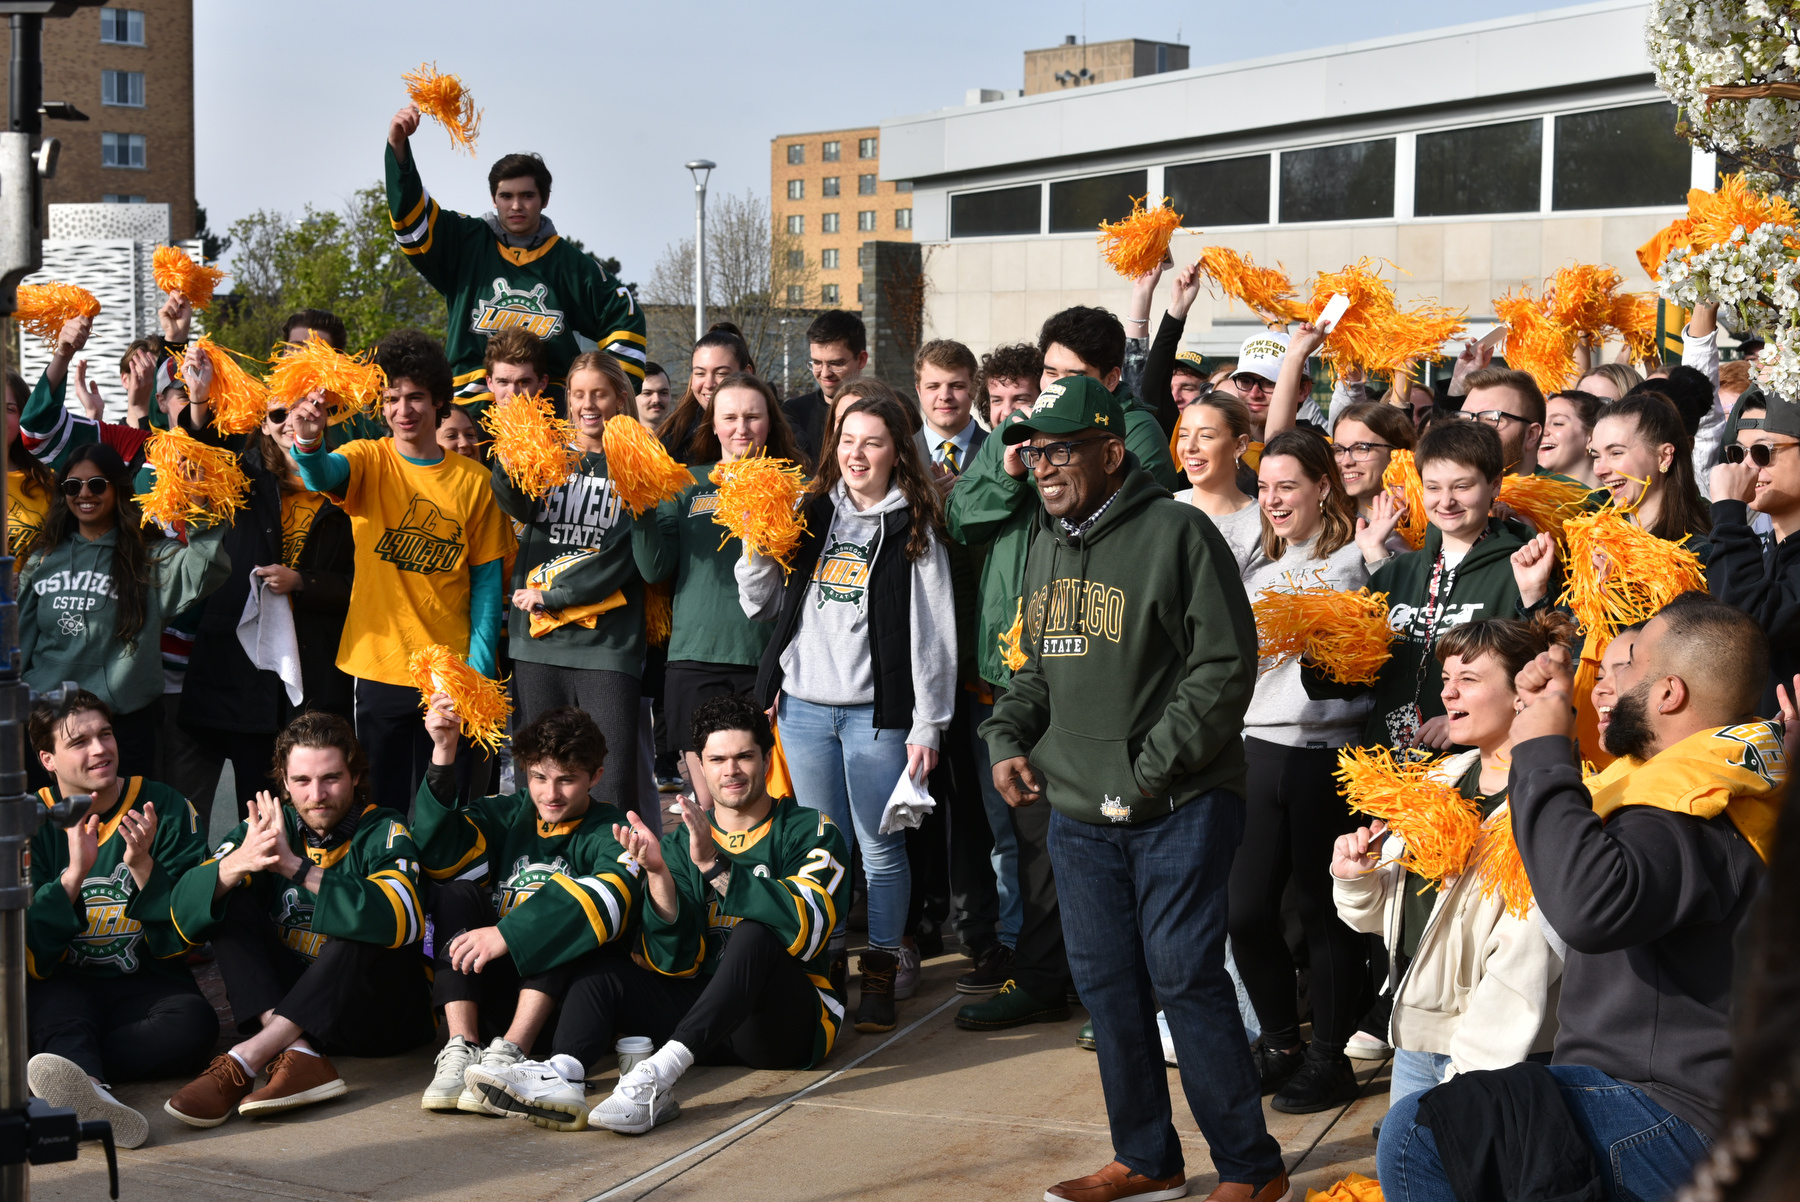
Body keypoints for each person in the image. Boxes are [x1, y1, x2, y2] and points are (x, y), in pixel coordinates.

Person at [980, 374, 1288, 1202]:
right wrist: (1007, 736)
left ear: (1111, 453)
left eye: (1061, 450)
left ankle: (1251, 1171)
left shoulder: (1178, 533)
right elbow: (1036, 671)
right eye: (1035, 451)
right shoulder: (1046, 544)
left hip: (1181, 804)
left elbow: (1225, 668)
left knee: (1185, 976)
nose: (1043, 466)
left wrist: (1151, 769)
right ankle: (1147, 1159)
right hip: (1080, 811)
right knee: (1109, 985)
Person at [1379, 598, 1781, 1201]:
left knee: (1427, 1131)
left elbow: (1587, 905)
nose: (1605, 682)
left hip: (1670, 1110)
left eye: (1629, 666)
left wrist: (1539, 749)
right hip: (1695, 1105)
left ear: (1668, 693)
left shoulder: (1688, 811)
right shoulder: (1735, 786)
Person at [738, 387, 957, 1033]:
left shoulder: (913, 523)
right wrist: (754, 545)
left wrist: (929, 724)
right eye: (849, 440)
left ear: (898, 453)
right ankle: (828, 964)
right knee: (824, 850)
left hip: (877, 715)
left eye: (875, 442)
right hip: (803, 708)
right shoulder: (808, 511)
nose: (858, 453)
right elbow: (764, 603)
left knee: (881, 850)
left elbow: (935, 633)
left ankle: (882, 972)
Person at [1332, 615, 1571, 1177]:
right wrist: (1356, 877)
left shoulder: (1550, 804)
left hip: (1499, 1056)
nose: (1447, 691)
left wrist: (1465, 1077)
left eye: (1468, 678)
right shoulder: (1437, 786)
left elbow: (1529, 959)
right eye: (1445, 677)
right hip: (1417, 1034)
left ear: (1522, 693)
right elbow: (1384, 922)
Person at [557, 694, 852, 1134]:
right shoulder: (678, 843)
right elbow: (673, 963)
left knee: (756, 932)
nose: (730, 770)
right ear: (701, 766)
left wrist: (715, 868)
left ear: (767, 759)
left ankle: (657, 1077)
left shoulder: (812, 829)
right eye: (717, 759)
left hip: (775, 1028)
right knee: (601, 974)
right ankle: (560, 1076)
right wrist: (657, 874)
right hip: (703, 1018)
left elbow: (805, 928)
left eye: (743, 756)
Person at [164, 713, 432, 1128]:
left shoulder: (383, 827)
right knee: (228, 898)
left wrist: (295, 867)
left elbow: (402, 918)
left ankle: (248, 1057)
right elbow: (180, 912)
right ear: (285, 784)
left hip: (376, 1019)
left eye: (331, 778)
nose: (317, 794)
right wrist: (238, 863)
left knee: (365, 917)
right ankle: (299, 1053)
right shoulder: (269, 825)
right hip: (300, 1008)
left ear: (355, 776)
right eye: (302, 781)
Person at [290, 329, 515, 811]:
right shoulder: (368, 458)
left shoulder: (475, 482)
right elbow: (323, 474)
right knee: (381, 803)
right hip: (379, 666)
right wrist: (308, 440)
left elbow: (487, 587)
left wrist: (474, 674)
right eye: (392, 398)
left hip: (451, 675)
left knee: (448, 803)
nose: (403, 410)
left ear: (439, 402)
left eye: (415, 397)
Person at [1228, 430, 1373, 1113]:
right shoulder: (1255, 569)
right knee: (1245, 909)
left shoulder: (1357, 562)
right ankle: (1282, 1041)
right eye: (1265, 487)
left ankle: (1330, 1057)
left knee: (1323, 913)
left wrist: (1363, 563)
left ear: (1323, 486)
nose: (1274, 498)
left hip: (1327, 757)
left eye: (1288, 485)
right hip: (1258, 748)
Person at [413, 702, 640, 1123]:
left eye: (566, 780)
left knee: (571, 912)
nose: (550, 794)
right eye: (539, 777)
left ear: (596, 777)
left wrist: (507, 933)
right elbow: (438, 853)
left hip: (556, 1014)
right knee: (455, 893)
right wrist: (443, 753)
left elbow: (613, 896)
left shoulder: (612, 829)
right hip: (491, 995)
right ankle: (462, 1047)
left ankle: (511, 1055)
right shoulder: (509, 811)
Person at [24, 690, 214, 1151]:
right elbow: (27, 950)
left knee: (195, 1026)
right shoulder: (30, 818)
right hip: (65, 982)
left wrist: (144, 866)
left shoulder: (164, 806)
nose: (100, 749)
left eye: (105, 733)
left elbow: (185, 937)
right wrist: (73, 876)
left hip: (146, 982)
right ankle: (83, 1080)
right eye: (80, 742)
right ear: (47, 758)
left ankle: (73, 1072)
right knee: (53, 1011)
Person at [177, 384, 357, 832]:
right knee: (254, 810)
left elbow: (362, 584)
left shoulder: (347, 483)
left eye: (298, 415)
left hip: (316, 670)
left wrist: (304, 583)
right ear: (262, 423)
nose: (288, 424)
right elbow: (199, 450)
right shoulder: (241, 476)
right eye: (277, 414)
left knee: (315, 806)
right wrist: (198, 401)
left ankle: (309, 891)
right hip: (242, 677)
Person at [385, 103, 646, 406]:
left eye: (527, 196)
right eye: (506, 196)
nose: (516, 206)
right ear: (493, 199)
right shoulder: (465, 242)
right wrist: (398, 148)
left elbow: (625, 317)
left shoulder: (572, 266)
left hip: (550, 418)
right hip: (472, 416)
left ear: (544, 200)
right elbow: (411, 222)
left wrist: (610, 394)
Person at [493, 350, 658, 818]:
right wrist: (510, 459)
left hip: (606, 645)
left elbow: (623, 559)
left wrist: (558, 596)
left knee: (611, 778)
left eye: (599, 394)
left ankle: (616, 878)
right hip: (538, 644)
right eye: (578, 393)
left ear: (621, 397)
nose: (588, 404)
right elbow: (517, 505)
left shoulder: (638, 459)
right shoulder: (550, 454)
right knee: (541, 776)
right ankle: (537, 878)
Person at [18, 444, 230, 781]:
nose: (84, 493)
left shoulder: (149, 559)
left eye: (97, 484)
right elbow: (20, 642)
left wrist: (200, 507)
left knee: (120, 830)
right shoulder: (43, 558)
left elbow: (205, 569)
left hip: (120, 727)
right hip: (48, 722)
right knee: (48, 830)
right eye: (73, 486)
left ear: (118, 488)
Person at [641, 374, 803, 807]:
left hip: (767, 661)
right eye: (729, 417)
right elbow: (656, 567)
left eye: (753, 416)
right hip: (694, 657)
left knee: (768, 799)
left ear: (771, 422)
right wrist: (638, 505)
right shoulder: (683, 483)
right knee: (711, 802)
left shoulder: (795, 487)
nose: (741, 427)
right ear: (712, 424)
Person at [1325, 421, 1530, 750]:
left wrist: (1469, 723)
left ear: (1494, 485)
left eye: (1461, 487)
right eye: (1433, 487)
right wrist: (1320, 650)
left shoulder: (1521, 571)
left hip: (1470, 772)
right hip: (1385, 776)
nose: (1446, 501)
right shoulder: (1395, 574)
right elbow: (1345, 684)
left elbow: (1536, 681)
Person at [1707, 388, 1800, 718]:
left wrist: (1729, 513)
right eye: (1736, 453)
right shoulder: (1769, 550)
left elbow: (1745, 624)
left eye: (1763, 452)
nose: (1746, 467)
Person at [1039, 305, 1181, 491]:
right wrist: (1010, 475)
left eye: (1074, 377)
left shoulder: (1137, 429)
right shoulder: (1021, 425)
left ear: (1111, 379)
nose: (1058, 387)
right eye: (1051, 373)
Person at [1590, 393, 1713, 552]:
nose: (1599, 470)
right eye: (1596, 456)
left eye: (1616, 453)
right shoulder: (1599, 540)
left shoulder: (1695, 554)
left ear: (1663, 457)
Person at [1172, 392, 1260, 575]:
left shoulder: (1263, 524)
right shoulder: (1164, 508)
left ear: (1240, 445)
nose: (1189, 447)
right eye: (1184, 435)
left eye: (1206, 436)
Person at [656, 322, 758, 461]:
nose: (709, 384)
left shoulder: (780, 430)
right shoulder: (673, 436)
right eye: (700, 373)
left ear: (747, 373)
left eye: (721, 373)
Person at [782, 310, 867, 466]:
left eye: (836, 364)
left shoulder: (890, 411)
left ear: (861, 360)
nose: (825, 373)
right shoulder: (792, 413)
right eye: (817, 363)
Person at [1331, 400, 1417, 537]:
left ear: (1398, 454)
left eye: (1361, 448)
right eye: (1338, 450)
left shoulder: (1433, 521)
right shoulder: (1325, 525)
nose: (1346, 461)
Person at [1456, 367, 1544, 476]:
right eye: (1465, 419)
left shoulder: (1566, 491)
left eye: (1491, 419)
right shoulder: (1440, 490)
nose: (1472, 429)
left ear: (1531, 435)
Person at [1538, 389, 1605, 488]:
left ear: (1591, 437)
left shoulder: (1619, 500)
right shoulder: (1520, 498)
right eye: (1540, 423)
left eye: (1557, 423)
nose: (1542, 431)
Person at [978, 343, 1044, 431]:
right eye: (997, 401)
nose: (1007, 412)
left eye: (1020, 400)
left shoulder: (1060, 444)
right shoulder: (982, 445)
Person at [637, 361, 673, 431]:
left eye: (663, 393)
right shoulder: (617, 439)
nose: (656, 399)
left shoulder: (686, 439)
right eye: (647, 393)